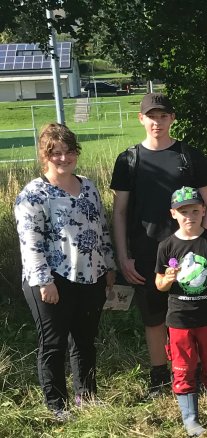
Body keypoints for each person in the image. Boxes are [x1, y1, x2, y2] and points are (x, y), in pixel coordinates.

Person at [110, 93, 207, 397]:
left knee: (191, 316)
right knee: (154, 318)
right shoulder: (128, 160)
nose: (157, 122)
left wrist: (202, 247)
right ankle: (159, 375)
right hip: (146, 253)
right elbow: (119, 212)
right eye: (151, 116)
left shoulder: (189, 156)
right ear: (141, 119)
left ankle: (192, 374)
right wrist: (123, 256)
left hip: (189, 254)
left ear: (172, 118)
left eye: (163, 116)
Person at [15, 124, 116, 421]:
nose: (63, 158)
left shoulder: (89, 186)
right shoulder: (33, 194)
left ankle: (87, 397)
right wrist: (45, 281)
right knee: (53, 344)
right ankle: (57, 406)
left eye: (68, 151)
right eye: (55, 153)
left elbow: (102, 228)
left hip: (91, 276)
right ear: (45, 156)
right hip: (51, 279)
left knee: (85, 341)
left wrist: (108, 265)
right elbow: (30, 241)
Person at [155, 187, 207, 436]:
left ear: (203, 211)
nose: (189, 215)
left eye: (194, 210)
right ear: (173, 214)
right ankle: (190, 419)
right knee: (183, 368)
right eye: (183, 211)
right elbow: (159, 285)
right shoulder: (167, 246)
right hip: (179, 320)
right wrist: (168, 279)